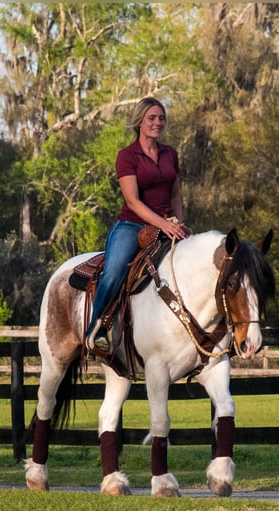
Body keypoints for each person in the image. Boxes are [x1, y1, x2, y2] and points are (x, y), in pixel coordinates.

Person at [85, 97, 188, 352]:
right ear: (139, 121)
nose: (158, 123)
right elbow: (132, 201)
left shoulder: (170, 154)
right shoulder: (127, 156)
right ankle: (96, 328)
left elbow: (175, 195)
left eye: (161, 118)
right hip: (132, 225)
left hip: (167, 224)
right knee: (115, 268)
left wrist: (180, 224)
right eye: (152, 118)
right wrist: (164, 224)